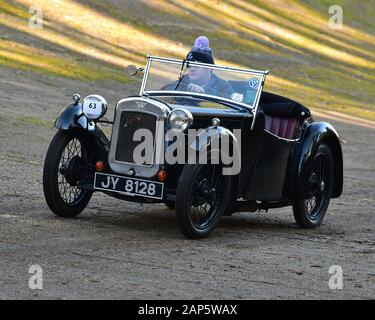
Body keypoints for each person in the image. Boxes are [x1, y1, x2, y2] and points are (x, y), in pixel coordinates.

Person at [165, 36, 234, 99]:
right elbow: (165, 94)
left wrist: (204, 94)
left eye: (198, 65)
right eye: (189, 65)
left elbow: (228, 107)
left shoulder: (223, 86)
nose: (192, 68)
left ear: (209, 68)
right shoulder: (181, 82)